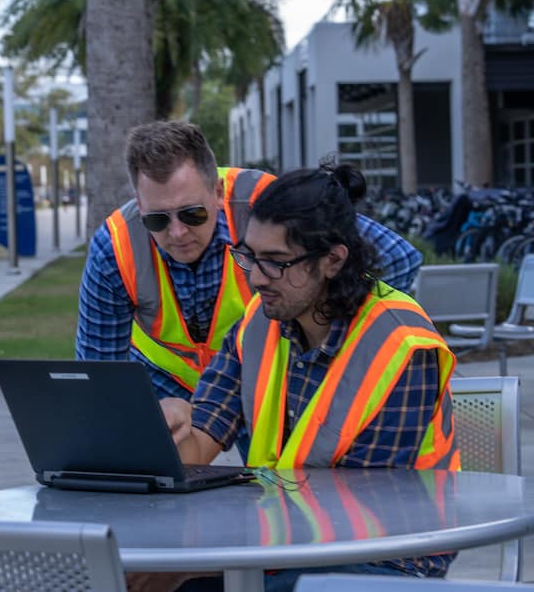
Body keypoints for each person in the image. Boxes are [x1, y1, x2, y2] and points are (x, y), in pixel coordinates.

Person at [152, 164, 457, 591]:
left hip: (388, 558)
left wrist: (194, 566)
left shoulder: (402, 346)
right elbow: (202, 437)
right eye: (250, 257)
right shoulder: (259, 323)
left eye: (276, 262)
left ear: (333, 260)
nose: (256, 278)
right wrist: (166, 430)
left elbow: (357, 511)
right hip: (289, 543)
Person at [76, 121, 423, 407]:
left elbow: (398, 258)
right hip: (162, 384)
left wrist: (329, 349)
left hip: (259, 374)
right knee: (146, 482)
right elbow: (98, 376)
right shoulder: (115, 247)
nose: (178, 232)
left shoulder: (268, 204)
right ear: (139, 203)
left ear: (217, 191)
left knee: (280, 482)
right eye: (157, 220)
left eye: (192, 214)